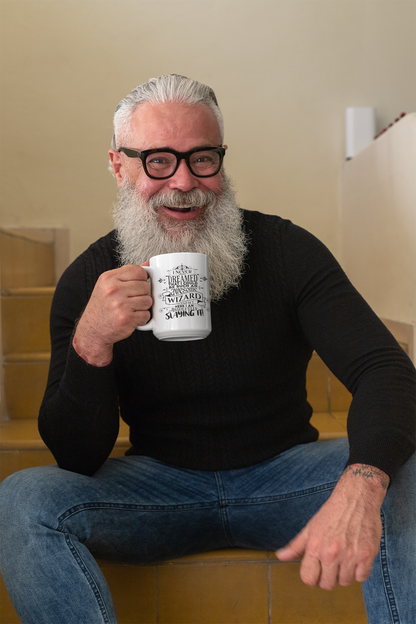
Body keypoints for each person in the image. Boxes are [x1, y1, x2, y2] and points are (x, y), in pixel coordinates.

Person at [0, 74, 415, 624]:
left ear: (222, 160)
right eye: (157, 161)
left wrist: (363, 483)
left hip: (287, 478)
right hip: (154, 490)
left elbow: (385, 368)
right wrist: (92, 340)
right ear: (118, 165)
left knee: (403, 468)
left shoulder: (286, 249)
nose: (183, 182)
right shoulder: (87, 283)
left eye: (202, 159)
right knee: (22, 498)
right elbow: (76, 457)